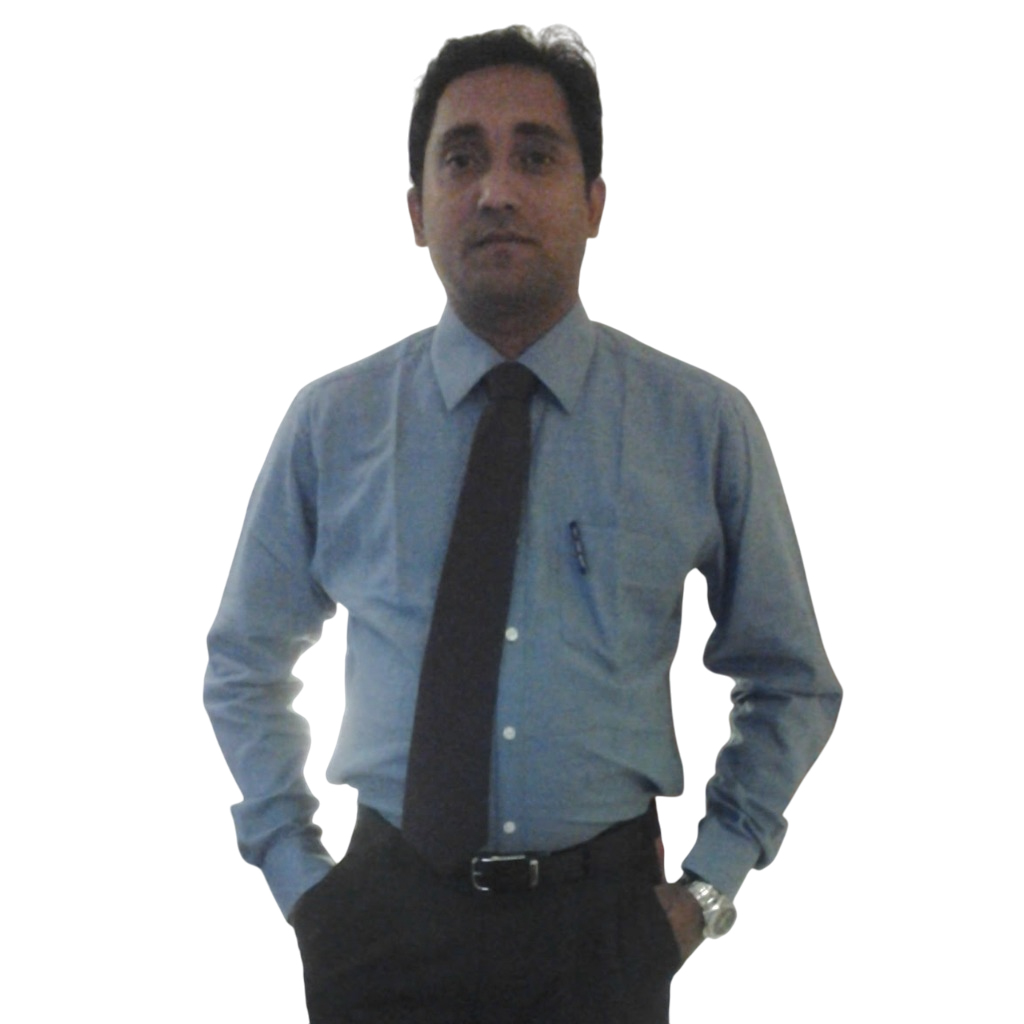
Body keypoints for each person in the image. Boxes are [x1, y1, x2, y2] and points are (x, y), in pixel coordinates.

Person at [205, 25, 841, 1024]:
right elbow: (244, 659)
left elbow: (791, 679)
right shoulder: (333, 423)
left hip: (602, 935)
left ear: (595, 203)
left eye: (535, 157)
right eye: (462, 159)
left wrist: (706, 890)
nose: (496, 190)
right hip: (379, 930)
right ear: (417, 211)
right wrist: (304, 884)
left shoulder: (701, 424)